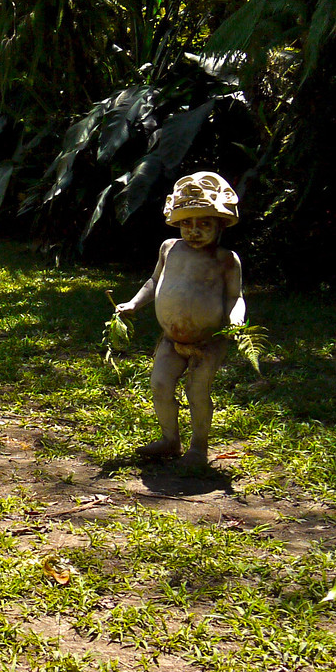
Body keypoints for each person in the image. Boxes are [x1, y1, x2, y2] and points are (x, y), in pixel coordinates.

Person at [115, 171, 247, 468]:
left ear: (220, 224)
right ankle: (169, 439)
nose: (194, 230)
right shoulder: (169, 249)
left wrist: (237, 320)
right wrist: (134, 303)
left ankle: (198, 447)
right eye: (186, 223)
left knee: (197, 390)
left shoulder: (226, 259)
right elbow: (153, 281)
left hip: (208, 341)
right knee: (160, 385)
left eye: (204, 224)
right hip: (171, 339)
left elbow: (235, 296)